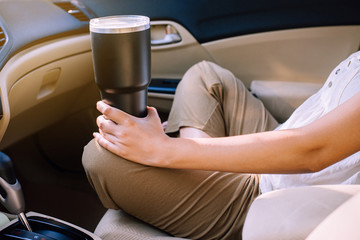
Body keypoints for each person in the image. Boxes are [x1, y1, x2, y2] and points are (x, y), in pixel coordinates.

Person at [82, 51, 360, 239]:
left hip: (285, 190)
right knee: (206, 76)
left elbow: (314, 151)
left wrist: (166, 149)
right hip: (288, 137)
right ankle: (205, 168)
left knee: (100, 156)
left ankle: (202, 169)